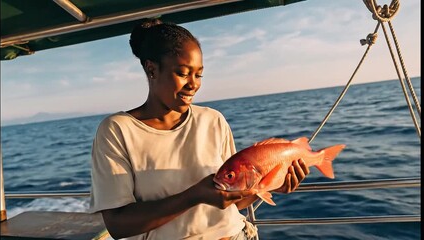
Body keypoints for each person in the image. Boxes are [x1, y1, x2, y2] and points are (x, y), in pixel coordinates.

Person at [88, 18, 310, 240]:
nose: (194, 84)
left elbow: (234, 200)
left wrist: (270, 185)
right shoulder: (117, 130)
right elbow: (117, 225)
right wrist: (193, 196)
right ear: (152, 69)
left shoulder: (213, 120)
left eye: (199, 74)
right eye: (183, 73)